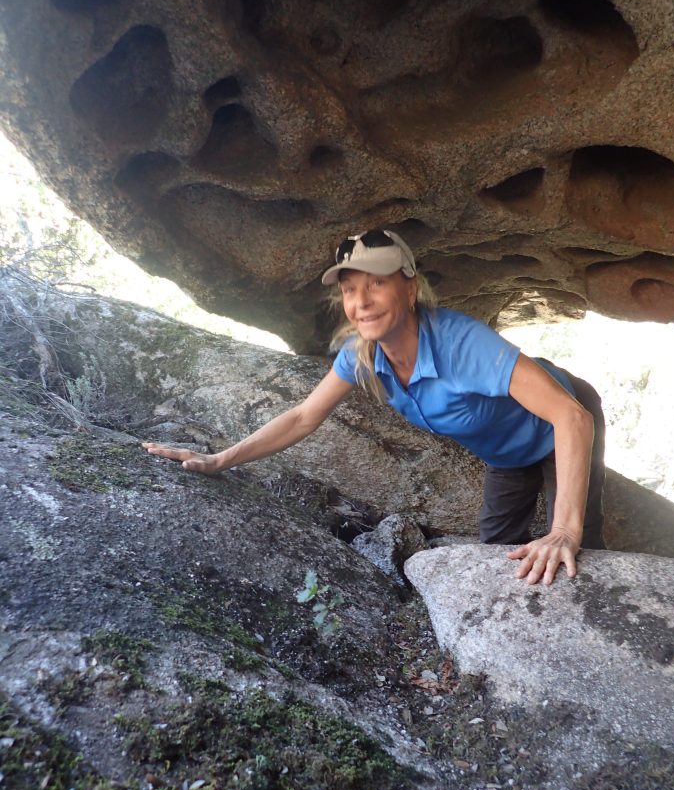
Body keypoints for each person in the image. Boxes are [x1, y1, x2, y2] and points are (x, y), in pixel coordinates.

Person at [144, 229, 605, 585]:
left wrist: (565, 530)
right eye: (349, 290)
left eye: (376, 284)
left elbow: (571, 417)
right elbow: (304, 417)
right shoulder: (362, 354)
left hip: (557, 426)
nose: (360, 302)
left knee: (576, 552)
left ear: (409, 290)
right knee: (496, 553)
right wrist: (220, 460)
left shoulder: (462, 344)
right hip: (504, 453)